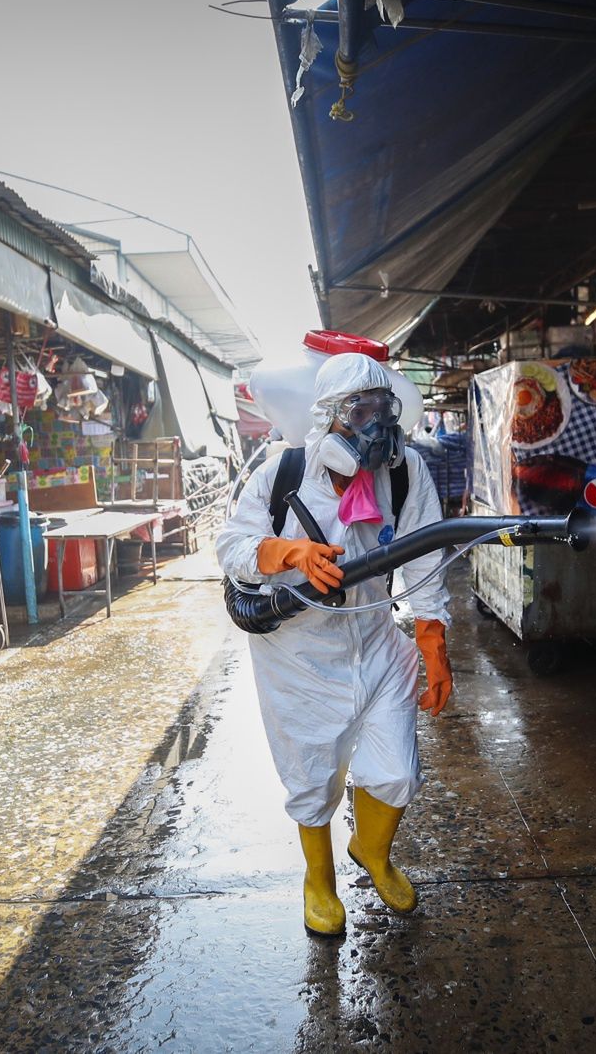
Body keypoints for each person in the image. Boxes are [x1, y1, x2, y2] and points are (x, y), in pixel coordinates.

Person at [217, 352, 454, 936]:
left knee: (397, 769)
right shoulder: (282, 473)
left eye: (384, 410)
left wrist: (432, 642)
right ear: (328, 417)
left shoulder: (404, 472)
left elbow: (425, 554)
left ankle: (371, 852)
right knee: (313, 777)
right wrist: (287, 553)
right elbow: (231, 547)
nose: (375, 425)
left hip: (375, 641)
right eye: (360, 410)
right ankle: (318, 881)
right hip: (298, 655)